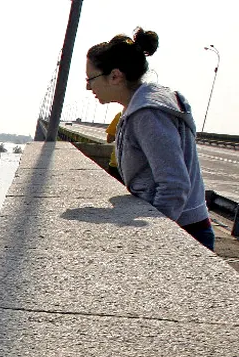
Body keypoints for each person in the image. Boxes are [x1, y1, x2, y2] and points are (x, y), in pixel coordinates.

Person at [85, 28, 214, 250]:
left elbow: (175, 186)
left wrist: (151, 242)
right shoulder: (145, 103)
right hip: (188, 226)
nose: (88, 86)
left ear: (115, 76)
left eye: (91, 78)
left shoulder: (148, 114)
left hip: (184, 233)